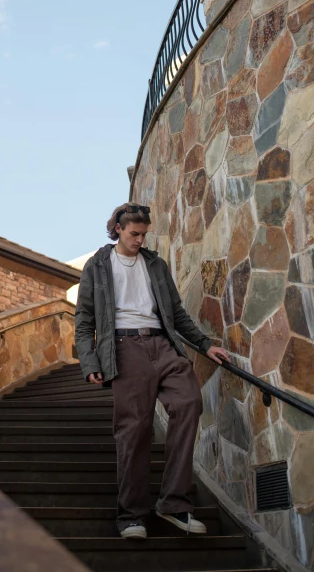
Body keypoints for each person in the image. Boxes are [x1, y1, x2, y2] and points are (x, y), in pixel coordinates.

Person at [74, 202, 230, 540]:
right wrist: (90, 362)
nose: (140, 240)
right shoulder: (98, 265)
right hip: (123, 349)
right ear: (117, 228)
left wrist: (204, 345)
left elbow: (175, 311)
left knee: (189, 402)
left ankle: (174, 503)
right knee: (135, 430)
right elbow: (84, 320)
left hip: (164, 345)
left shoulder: (155, 264)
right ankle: (132, 515)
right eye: (134, 234)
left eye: (144, 234)